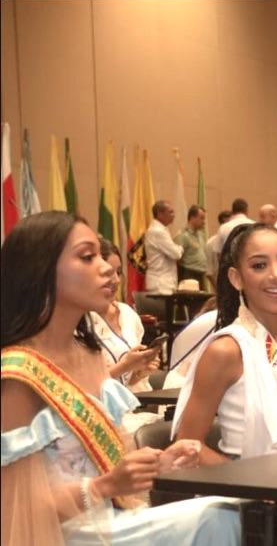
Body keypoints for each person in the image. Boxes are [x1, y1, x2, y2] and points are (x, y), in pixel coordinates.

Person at [1, 211, 240, 545]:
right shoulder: (16, 376)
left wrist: (157, 464)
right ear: (40, 270)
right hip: (58, 536)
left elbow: (106, 463)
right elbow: (12, 510)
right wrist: (106, 486)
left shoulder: (90, 354)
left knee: (233, 513)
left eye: (102, 256)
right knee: (219, 517)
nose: (106, 270)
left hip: (111, 520)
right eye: (87, 257)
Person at [173, 222, 277, 466]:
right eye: (259, 265)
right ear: (236, 278)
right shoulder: (227, 351)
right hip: (240, 497)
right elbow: (187, 447)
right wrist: (253, 484)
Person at [90, 240, 161, 396]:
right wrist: (125, 366)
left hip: (133, 404)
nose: (116, 280)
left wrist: (140, 371)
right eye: (108, 273)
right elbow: (81, 386)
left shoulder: (128, 314)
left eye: (119, 272)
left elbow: (129, 382)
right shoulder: (78, 321)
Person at [145, 200, 184, 293]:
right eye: (170, 212)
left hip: (164, 282)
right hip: (161, 283)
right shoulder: (158, 231)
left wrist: (175, 247)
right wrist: (180, 248)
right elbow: (176, 254)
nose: (173, 215)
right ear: (159, 214)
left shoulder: (161, 229)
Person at [174, 205, 208, 290]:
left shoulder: (201, 235)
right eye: (202, 218)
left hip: (200, 274)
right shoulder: (183, 236)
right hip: (188, 275)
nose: (204, 222)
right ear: (192, 218)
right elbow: (177, 258)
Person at [205, 210, 232, 291]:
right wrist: (218, 289)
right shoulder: (210, 243)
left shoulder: (236, 242)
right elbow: (209, 271)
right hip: (219, 285)